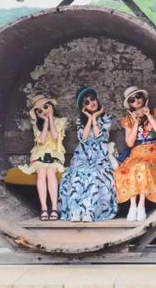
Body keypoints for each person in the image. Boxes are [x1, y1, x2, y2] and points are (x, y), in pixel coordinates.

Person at [58, 87, 119, 222]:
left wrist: (96, 117)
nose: (91, 102)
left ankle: (89, 212)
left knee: (94, 174)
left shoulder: (106, 118)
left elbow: (100, 137)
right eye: (86, 102)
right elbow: (83, 138)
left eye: (92, 99)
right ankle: (75, 211)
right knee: (77, 175)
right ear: (83, 107)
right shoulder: (81, 121)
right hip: (83, 155)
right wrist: (90, 118)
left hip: (100, 156)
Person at [115, 86, 156, 222]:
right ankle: (133, 206)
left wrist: (148, 115)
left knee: (142, 167)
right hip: (136, 156)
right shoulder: (127, 120)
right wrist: (135, 123)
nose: (136, 100)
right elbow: (130, 143)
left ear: (143, 98)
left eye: (138, 96)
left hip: (152, 156)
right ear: (129, 104)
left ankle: (141, 205)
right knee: (133, 168)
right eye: (132, 100)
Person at [19, 94, 67, 221]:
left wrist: (51, 118)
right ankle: (44, 208)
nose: (44, 110)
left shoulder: (61, 121)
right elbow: (41, 141)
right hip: (39, 154)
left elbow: (56, 137)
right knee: (42, 172)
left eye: (46, 106)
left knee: (50, 171)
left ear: (51, 105)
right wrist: (45, 122)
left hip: (55, 154)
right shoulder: (36, 124)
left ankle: (54, 208)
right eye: (40, 110)